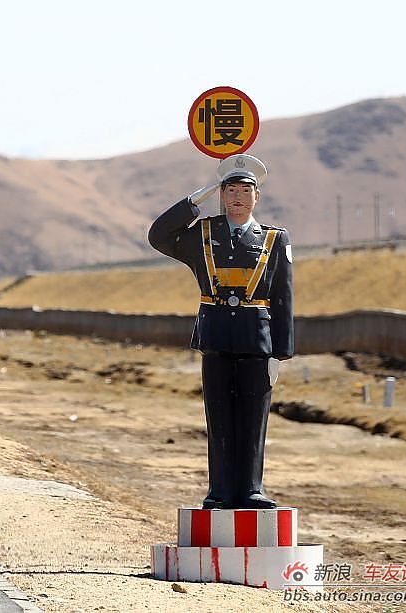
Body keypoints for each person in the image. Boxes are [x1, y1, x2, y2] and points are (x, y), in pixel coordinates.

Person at [147, 161, 293, 509]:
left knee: (254, 419)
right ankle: (221, 491)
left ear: (257, 196)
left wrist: (280, 353)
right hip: (215, 338)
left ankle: (251, 489)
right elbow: (159, 235)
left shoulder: (275, 238)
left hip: (257, 341)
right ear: (221, 195)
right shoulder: (202, 233)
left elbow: (283, 297)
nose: (238, 198)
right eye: (230, 191)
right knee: (220, 418)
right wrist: (196, 201)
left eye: (245, 191)